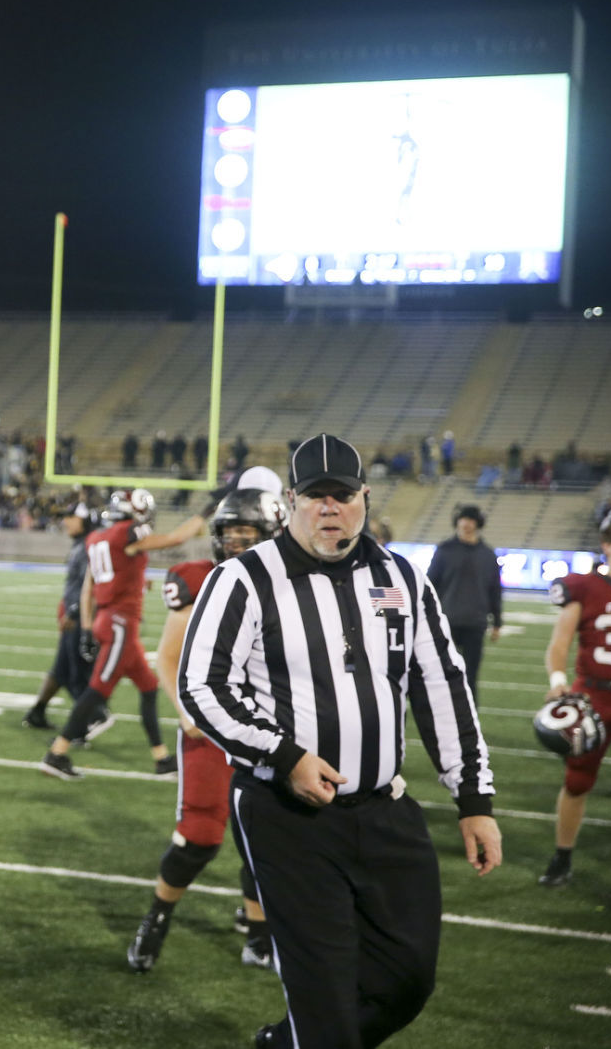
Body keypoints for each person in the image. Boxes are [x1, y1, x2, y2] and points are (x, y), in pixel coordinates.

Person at [179, 434, 500, 1049]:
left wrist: (475, 801)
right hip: (288, 816)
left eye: (343, 495)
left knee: (408, 981)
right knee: (324, 996)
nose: (330, 509)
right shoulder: (243, 579)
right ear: (292, 502)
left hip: (386, 809)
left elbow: (442, 687)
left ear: (364, 497)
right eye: (316, 496)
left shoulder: (401, 577)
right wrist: (285, 757)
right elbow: (202, 686)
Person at [126, 486, 288, 975]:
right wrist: (187, 709)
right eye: (230, 532)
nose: (238, 541)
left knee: (268, 839)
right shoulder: (199, 580)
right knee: (199, 835)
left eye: (248, 532)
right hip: (212, 727)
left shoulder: (294, 585)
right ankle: (156, 917)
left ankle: (260, 933)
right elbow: (170, 656)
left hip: (271, 730)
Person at [40, 486, 209, 780]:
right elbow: (176, 538)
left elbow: (88, 588)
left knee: (148, 687)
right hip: (119, 624)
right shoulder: (125, 535)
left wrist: (86, 628)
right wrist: (208, 510)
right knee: (97, 691)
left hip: (111, 622)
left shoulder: (96, 538)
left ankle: (161, 758)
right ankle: (57, 752)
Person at [536, 508, 611, 887]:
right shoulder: (585, 587)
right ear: (606, 546)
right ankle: (562, 857)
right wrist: (558, 681)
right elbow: (559, 643)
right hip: (595, 697)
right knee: (577, 780)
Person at [23, 501, 100, 731]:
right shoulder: (82, 544)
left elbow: (90, 588)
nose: (65, 521)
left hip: (80, 616)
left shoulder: (89, 545)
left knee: (74, 672)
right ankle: (46, 714)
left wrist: (74, 612)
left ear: (85, 520)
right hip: (73, 613)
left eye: (71, 517)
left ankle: (86, 719)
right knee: (65, 671)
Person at [427, 506, 502, 702]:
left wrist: (498, 622)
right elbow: (430, 585)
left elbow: (495, 589)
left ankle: (470, 719)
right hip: (446, 621)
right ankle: (441, 714)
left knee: (471, 676)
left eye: (470, 519)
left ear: (477, 523)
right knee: (441, 673)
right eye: (462, 519)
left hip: (475, 623)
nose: (465, 523)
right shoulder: (444, 550)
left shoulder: (488, 554)